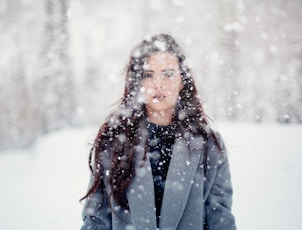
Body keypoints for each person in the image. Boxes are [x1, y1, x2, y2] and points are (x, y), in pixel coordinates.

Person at [80, 34, 236, 230]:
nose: (158, 84)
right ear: (137, 82)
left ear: (182, 80)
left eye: (168, 74)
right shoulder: (115, 140)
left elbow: (220, 219)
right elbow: (95, 221)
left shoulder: (208, 144)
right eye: (148, 74)